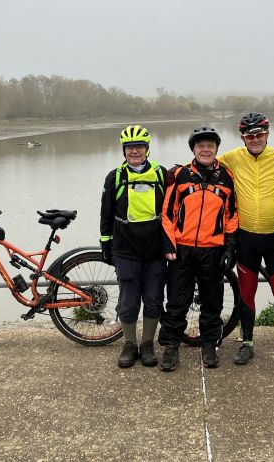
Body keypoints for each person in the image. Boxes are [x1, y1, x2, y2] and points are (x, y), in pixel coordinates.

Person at [219, 112, 274, 367]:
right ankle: (247, 343)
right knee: (247, 293)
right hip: (246, 238)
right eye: (249, 136)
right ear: (242, 138)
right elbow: (205, 163)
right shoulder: (232, 158)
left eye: (260, 135)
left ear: (267, 134)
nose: (255, 140)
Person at [158, 126, 238, 371]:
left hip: (212, 250)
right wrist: (169, 243)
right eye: (201, 146)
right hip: (182, 250)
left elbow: (232, 215)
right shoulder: (180, 175)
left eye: (210, 146)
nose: (205, 150)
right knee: (177, 302)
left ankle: (209, 345)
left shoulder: (227, 177)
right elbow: (167, 214)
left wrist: (229, 247)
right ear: (193, 149)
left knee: (212, 301)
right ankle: (171, 346)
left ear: (216, 149)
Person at [100, 125, 169, 368]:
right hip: (126, 249)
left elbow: (171, 211)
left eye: (139, 146)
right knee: (128, 301)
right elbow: (106, 213)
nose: (134, 151)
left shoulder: (161, 174)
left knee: (153, 299)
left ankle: (147, 344)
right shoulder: (115, 177)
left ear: (147, 149)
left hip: (155, 250)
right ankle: (129, 344)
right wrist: (105, 242)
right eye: (130, 147)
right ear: (124, 151)